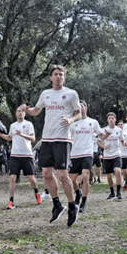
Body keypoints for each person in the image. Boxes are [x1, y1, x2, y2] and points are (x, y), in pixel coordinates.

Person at [20, 64, 82, 226]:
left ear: (64, 77)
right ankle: (57, 204)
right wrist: (26, 109)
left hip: (63, 139)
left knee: (62, 175)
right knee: (46, 173)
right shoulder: (45, 94)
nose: (58, 76)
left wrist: (70, 120)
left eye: (61, 74)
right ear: (50, 77)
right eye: (55, 74)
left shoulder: (71, 94)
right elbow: (36, 111)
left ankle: (72, 206)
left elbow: (79, 114)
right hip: (46, 139)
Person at [0, 106, 42, 209]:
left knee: (31, 178)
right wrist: (1, 135)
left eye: (22, 111)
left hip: (27, 155)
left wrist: (22, 134)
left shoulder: (28, 124)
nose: (20, 113)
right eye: (18, 111)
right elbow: (9, 137)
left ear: (25, 113)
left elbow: (33, 138)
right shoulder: (12, 125)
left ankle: (36, 192)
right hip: (15, 156)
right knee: (12, 177)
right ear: (16, 113)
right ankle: (11, 201)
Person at [69, 101, 109, 212]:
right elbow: (68, 138)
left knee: (86, 176)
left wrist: (108, 134)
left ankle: (83, 203)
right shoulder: (72, 123)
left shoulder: (93, 122)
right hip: (74, 154)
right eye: (77, 107)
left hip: (87, 153)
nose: (79, 108)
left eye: (81, 106)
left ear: (86, 108)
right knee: (72, 179)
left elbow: (102, 136)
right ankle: (78, 193)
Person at [98, 112, 126, 200]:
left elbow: (122, 140)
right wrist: (104, 147)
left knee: (117, 171)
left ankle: (118, 192)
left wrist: (126, 143)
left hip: (117, 154)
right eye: (109, 118)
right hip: (107, 155)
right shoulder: (103, 130)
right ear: (107, 120)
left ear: (115, 119)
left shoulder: (119, 130)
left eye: (112, 118)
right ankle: (112, 192)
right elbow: (98, 142)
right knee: (109, 175)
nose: (111, 119)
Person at [118, 120, 127, 190]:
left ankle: (126, 182)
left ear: (123, 126)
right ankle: (119, 183)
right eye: (119, 124)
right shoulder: (116, 133)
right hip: (117, 154)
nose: (120, 125)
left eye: (121, 124)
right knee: (118, 170)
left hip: (125, 154)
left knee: (125, 170)